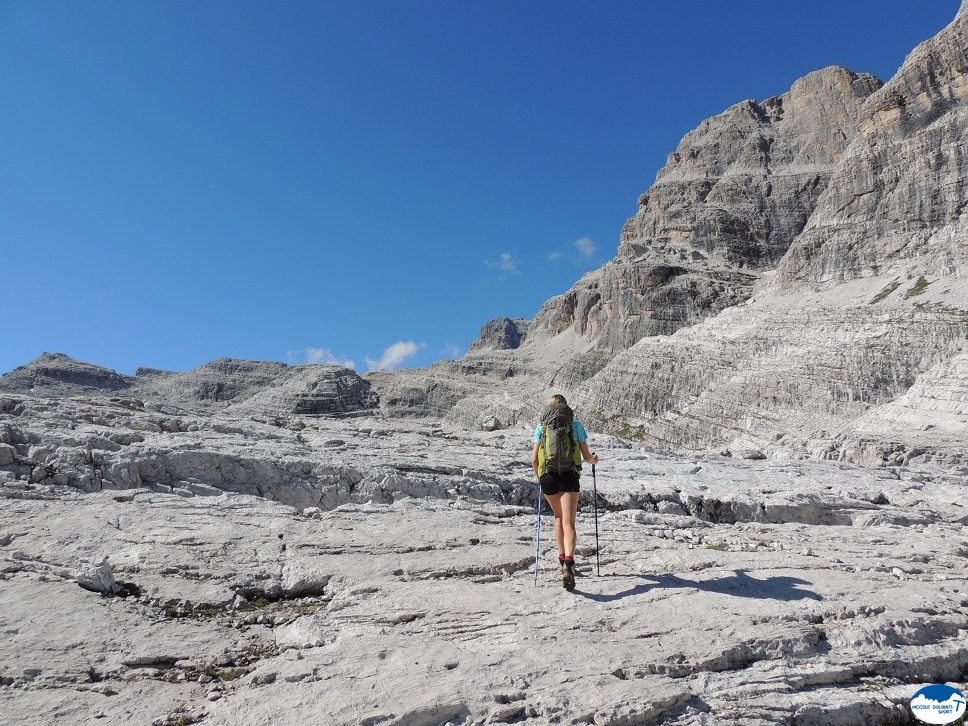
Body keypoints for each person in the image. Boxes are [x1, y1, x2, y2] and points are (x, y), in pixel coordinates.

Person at [531, 394, 599, 589]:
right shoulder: (575, 425)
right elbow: (586, 457)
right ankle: (569, 563)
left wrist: (539, 477)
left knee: (558, 518)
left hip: (548, 477)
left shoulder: (541, 428)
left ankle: (562, 561)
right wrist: (594, 460)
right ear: (565, 408)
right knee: (569, 523)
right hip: (569, 475)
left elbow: (534, 459)